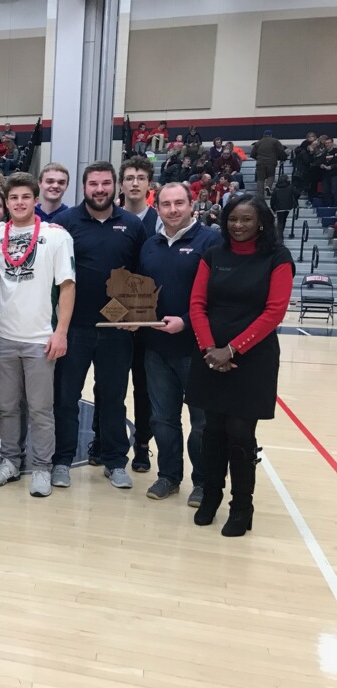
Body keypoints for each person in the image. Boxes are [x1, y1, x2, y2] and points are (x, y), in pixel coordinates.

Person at [186, 195, 294, 536]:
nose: (238, 225)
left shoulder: (278, 258)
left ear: (260, 222)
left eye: (246, 219)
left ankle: (241, 507)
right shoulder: (213, 255)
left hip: (252, 359)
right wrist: (210, 349)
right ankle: (211, 497)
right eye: (233, 218)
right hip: (210, 355)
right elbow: (197, 304)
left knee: (240, 433)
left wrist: (231, 350)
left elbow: (274, 312)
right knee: (211, 430)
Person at [51, 162, 146, 490]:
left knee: (113, 396)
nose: (100, 189)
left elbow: (142, 275)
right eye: (94, 184)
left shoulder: (132, 225)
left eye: (106, 183)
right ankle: (62, 459)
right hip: (74, 327)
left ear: (115, 186)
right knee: (65, 398)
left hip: (116, 330)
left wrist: (135, 315)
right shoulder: (64, 223)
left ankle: (115, 460)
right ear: (84, 187)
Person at [0, 173, 75, 496]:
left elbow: (67, 286)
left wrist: (60, 332)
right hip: (4, 335)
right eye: (13, 198)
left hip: (41, 337)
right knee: (7, 406)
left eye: (25, 197)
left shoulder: (56, 236)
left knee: (40, 409)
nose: (19, 203)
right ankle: (9, 460)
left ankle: (41, 467)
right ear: (6, 203)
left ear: (36, 200)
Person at [136, 182, 221, 505]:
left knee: (201, 422)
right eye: (166, 204)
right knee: (162, 418)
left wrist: (185, 321)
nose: (173, 210)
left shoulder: (211, 241)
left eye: (179, 203)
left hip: (197, 349)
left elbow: (218, 293)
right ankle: (168, 476)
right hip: (157, 348)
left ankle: (203, 482)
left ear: (192, 205)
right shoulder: (150, 245)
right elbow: (140, 292)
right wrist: (133, 318)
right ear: (157, 208)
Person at [251, 130, 288, 196]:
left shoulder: (259, 142)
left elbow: (252, 154)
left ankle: (260, 195)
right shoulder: (275, 141)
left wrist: (258, 159)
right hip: (271, 162)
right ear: (271, 135)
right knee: (271, 176)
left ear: (263, 135)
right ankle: (268, 186)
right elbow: (281, 151)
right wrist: (283, 158)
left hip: (260, 163)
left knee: (260, 179)